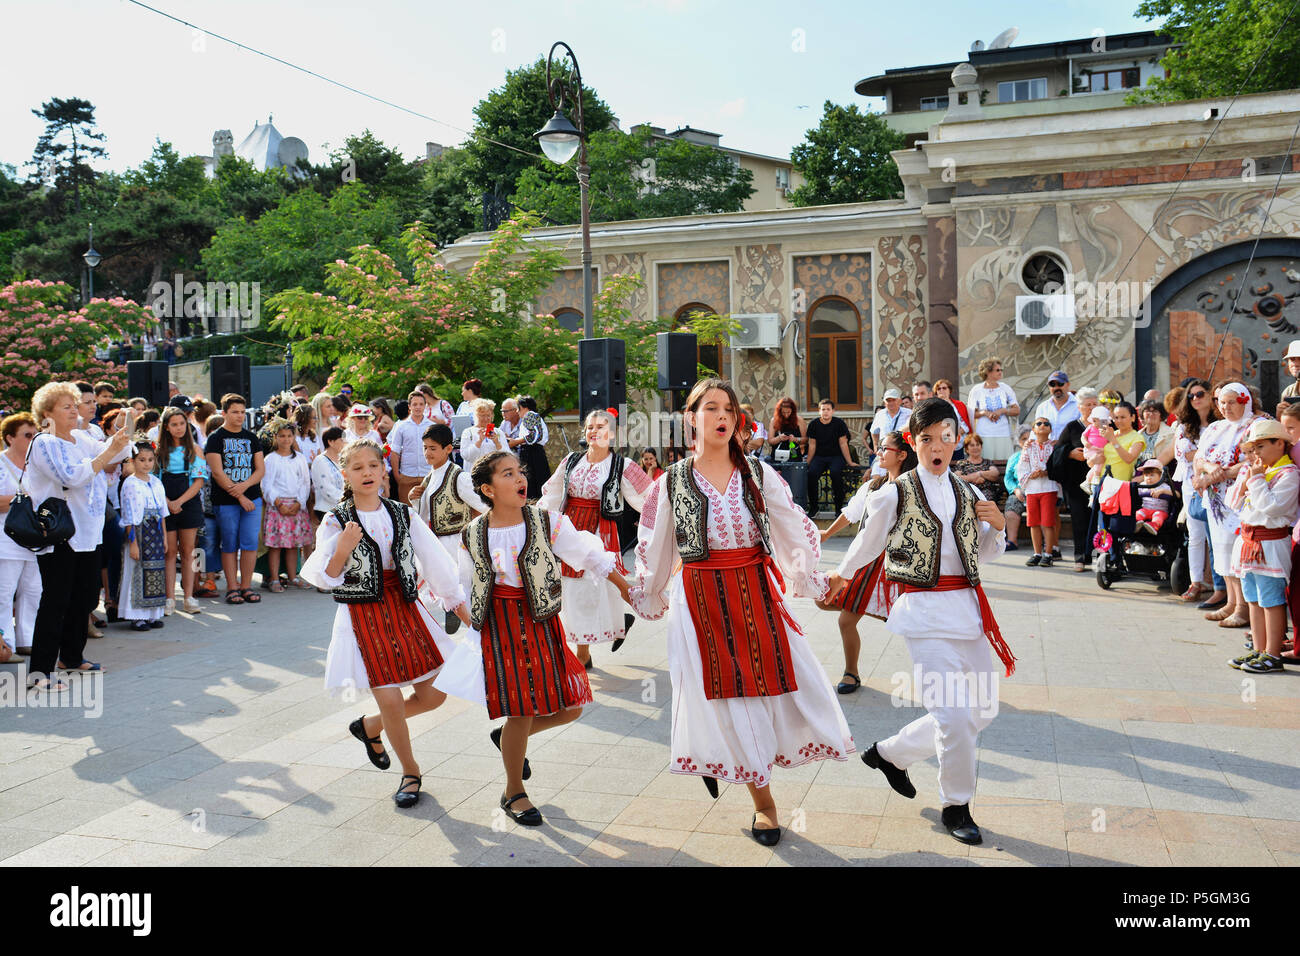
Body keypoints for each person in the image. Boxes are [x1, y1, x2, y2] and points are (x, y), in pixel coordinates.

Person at [629, 378, 854, 846]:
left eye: (728, 408)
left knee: (783, 684)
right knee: (730, 696)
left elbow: (792, 526)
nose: (722, 416)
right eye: (710, 407)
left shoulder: (756, 472)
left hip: (754, 590)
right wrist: (644, 592)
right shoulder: (671, 481)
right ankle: (764, 804)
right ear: (691, 418)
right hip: (701, 598)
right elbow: (656, 546)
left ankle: (734, 762)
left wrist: (814, 579)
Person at [828, 397, 1014, 846]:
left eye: (945, 437)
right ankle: (957, 806)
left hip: (967, 614)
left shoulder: (971, 493)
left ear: (956, 440)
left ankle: (889, 754)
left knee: (979, 714)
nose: (937, 446)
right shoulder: (895, 492)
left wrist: (998, 527)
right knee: (953, 717)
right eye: (926, 438)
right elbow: (869, 542)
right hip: (923, 615)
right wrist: (841, 574)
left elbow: (984, 554)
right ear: (913, 442)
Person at [435, 450, 628, 827]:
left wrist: (629, 590)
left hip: (541, 623)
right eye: (508, 474)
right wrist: (471, 627)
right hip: (501, 628)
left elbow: (590, 555)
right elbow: (463, 584)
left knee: (571, 707)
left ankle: (508, 739)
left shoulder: (546, 522)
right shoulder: (472, 534)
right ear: (488, 489)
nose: (520, 478)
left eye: (520, 471)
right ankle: (513, 792)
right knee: (520, 710)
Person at [300, 438, 471, 809]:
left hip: (406, 608)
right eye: (357, 468)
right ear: (345, 474)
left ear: (383, 470)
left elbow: (436, 563)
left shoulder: (402, 513)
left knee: (434, 695)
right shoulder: (335, 519)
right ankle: (411, 772)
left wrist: (466, 615)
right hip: (364, 616)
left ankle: (370, 726)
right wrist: (343, 548)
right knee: (392, 697)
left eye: (372, 466)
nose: (366, 473)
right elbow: (324, 576)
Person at [25, 384, 134, 690]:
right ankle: (40, 672)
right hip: (59, 533)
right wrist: (110, 452)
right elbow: (72, 477)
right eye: (66, 407)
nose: (74, 411)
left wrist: (125, 431)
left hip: (88, 530)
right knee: (56, 601)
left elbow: (115, 454)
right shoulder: (44, 443)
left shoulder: (81, 437)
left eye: (75, 406)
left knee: (85, 597)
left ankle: (71, 658)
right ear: (47, 414)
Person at [539, 409, 650, 667]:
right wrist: (539, 521)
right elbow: (553, 494)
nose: (594, 431)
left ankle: (583, 654)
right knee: (571, 589)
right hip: (570, 529)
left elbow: (649, 499)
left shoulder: (623, 466)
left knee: (589, 589)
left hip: (600, 531)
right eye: (590, 427)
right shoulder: (571, 461)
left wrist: (660, 531)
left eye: (601, 427)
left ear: (612, 434)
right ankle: (589, 648)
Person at [819, 430, 917, 694]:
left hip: (898, 567)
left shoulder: (914, 490)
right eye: (879, 447)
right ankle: (852, 671)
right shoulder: (874, 485)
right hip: (866, 561)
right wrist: (827, 533)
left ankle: (941, 673)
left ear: (902, 455)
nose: (879, 452)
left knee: (914, 625)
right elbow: (851, 513)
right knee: (832, 608)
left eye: (885, 448)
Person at [1225, 419, 1299, 674]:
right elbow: (1233, 502)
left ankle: (1273, 653)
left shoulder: (1288, 474)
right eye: (1253, 449)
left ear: (1280, 444)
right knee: (1254, 599)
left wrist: (1255, 482)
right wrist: (1247, 480)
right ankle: (1259, 648)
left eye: (1261, 447)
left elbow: (1272, 507)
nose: (1256, 454)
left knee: (1271, 599)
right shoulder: (1258, 471)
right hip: (1248, 541)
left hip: (1270, 543)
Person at [204, 393, 265, 606]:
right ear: (224, 413)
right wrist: (240, 496)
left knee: (249, 543)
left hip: (252, 499)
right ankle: (232, 587)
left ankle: (246, 586)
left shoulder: (251, 437)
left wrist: (245, 489)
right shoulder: (215, 438)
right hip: (226, 501)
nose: (239, 416)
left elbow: (260, 470)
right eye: (234, 412)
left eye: (242, 412)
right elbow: (218, 473)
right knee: (229, 544)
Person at [1170, 379, 1221, 604]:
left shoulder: (1220, 423)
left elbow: (1213, 456)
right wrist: (1204, 454)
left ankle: (1220, 584)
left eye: (1200, 394)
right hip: (1192, 486)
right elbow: (1184, 455)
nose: (1195, 399)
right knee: (1195, 535)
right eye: (1191, 396)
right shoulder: (1183, 426)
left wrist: (1200, 455)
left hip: (1217, 484)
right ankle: (1196, 581)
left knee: (1217, 535)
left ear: (1210, 395)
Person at [157, 407, 207, 615]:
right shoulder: (159, 451)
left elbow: (198, 482)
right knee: (169, 552)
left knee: (188, 551)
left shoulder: (194, 449)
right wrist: (169, 502)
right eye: (174, 425)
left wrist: (179, 501)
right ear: (166, 428)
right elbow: (155, 481)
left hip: (188, 503)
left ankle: (189, 596)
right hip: (166, 504)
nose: (179, 428)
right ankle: (169, 598)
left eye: (182, 424)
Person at [0, 413, 41, 660]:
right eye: (27, 435)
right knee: (5, 592)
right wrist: (24, 500)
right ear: (9, 438)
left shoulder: (36, 465)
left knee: (34, 589)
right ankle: (6, 645)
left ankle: (27, 639)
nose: (32, 439)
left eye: (35, 435)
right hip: (6, 538)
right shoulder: (1, 465)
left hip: (35, 539)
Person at [118, 441, 168, 632]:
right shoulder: (130, 483)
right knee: (137, 570)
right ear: (133, 461)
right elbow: (129, 515)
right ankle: (137, 616)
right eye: (141, 460)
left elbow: (162, 512)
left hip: (155, 531)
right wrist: (133, 543)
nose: (146, 464)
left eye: (150, 460)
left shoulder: (156, 482)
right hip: (139, 531)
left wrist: (164, 536)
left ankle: (153, 614)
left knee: (156, 571)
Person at [262, 419, 313, 591]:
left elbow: (305, 482)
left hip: (296, 505)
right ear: (275, 437)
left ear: (294, 437)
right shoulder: (270, 459)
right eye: (282, 436)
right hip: (278, 507)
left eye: (289, 436)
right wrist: (278, 503)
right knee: (276, 546)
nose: (286, 439)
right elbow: (266, 484)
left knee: (294, 545)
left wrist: (299, 502)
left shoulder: (299, 458)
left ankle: (293, 576)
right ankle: (274, 578)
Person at [1018, 415, 1059, 567]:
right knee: (1033, 522)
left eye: (1046, 423)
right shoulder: (1028, 447)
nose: (1042, 425)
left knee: (1047, 522)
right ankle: (1037, 553)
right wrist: (1031, 475)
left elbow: (1057, 465)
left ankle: (1048, 553)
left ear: (1050, 429)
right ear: (1034, 429)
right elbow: (1022, 466)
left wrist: (1047, 472)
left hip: (1048, 488)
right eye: (1038, 423)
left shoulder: (1054, 446)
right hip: (1032, 489)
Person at [805, 398, 854, 518]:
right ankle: (814, 508)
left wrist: (850, 462)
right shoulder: (813, 424)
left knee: (835, 473)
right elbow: (812, 445)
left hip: (836, 456)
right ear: (819, 411)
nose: (825, 412)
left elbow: (843, 443)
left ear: (833, 411)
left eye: (828, 409)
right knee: (811, 474)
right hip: (819, 457)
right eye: (823, 409)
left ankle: (838, 509)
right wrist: (808, 462)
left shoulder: (839, 424)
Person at [967, 357, 1020, 464]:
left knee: (1005, 463)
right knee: (986, 463)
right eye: (997, 370)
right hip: (984, 433)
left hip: (1003, 433)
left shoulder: (1005, 388)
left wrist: (1003, 411)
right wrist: (985, 413)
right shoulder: (977, 390)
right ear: (988, 371)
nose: (1000, 372)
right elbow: (971, 413)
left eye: (1001, 370)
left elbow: (1016, 410)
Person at [196, 414, 224, 600]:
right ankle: (200, 578)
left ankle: (213, 577)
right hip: (202, 506)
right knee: (202, 544)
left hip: (223, 504)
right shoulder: (202, 453)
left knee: (220, 543)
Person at [388, 390, 432, 506]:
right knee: (407, 513)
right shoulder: (400, 426)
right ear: (409, 406)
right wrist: (398, 477)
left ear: (425, 406)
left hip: (427, 475)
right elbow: (395, 452)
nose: (418, 407)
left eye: (421, 404)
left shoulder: (431, 426)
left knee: (428, 511)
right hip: (406, 475)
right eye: (415, 404)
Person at [514, 395, 552, 500]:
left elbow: (534, 436)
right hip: (532, 452)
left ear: (525, 407)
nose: (517, 411)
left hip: (532, 453)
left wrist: (516, 441)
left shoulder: (530, 415)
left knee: (533, 483)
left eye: (519, 408)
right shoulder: (531, 417)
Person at [953, 434, 1004, 510]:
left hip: (986, 492)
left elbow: (995, 474)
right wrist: (974, 479)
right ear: (967, 449)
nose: (975, 447)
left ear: (981, 447)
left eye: (977, 445)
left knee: (985, 498)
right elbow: (957, 478)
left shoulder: (987, 462)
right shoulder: (962, 463)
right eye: (972, 445)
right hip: (968, 491)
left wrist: (980, 473)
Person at [1098, 401, 1145, 482]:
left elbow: (1129, 459)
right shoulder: (1111, 433)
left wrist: (1112, 439)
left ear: (1133, 417)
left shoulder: (1137, 437)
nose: (1119, 421)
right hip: (1101, 481)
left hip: (1120, 483)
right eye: (1116, 417)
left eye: (1123, 417)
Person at [1003, 426, 1032, 551]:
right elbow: (1008, 478)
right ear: (1019, 442)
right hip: (1020, 491)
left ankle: (1047, 544)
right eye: (1024, 439)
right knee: (1011, 508)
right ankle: (1012, 541)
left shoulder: (1040, 453)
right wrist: (1016, 490)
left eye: (1030, 438)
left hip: (1038, 491)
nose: (1027, 441)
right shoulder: (1015, 457)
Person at [459, 398, 506, 471]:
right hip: (474, 474)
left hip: (494, 474)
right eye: (482, 415)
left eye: (488, 415)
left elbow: (507, 455)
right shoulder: (468, 432)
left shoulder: (498, 432)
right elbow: (465, 455)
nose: (486, 418)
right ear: (475, 415)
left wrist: (497, 443)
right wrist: (479, 442)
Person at [1133, 460, 1174, 534]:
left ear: (1160, 475)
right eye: (1146, 475)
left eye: (1152, 475)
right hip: (1145, 509)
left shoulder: (1164, 486)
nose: (1148, 478)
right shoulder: (1143, 485)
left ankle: (1154, 526)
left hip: (1160, 510)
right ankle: (1136, 524)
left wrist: (1163, 491)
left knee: (1158, 517)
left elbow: (1175, 494)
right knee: (1138, 513)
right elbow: (1135, 493)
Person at [1035, 371, 1078, 441]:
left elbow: (1084, 430)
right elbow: (1036, 431)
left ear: (1068, 384)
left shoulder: (1079, 404)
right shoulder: (1042, 407)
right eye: (1052, 384)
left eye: (1060, 384)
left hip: (1072, 449)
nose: (1056, 387)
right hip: (1048, 450)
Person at [869, 389, 911, 457]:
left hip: (902, 451)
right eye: (888, 400)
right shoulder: (880, 415)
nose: (891, 403)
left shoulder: (909, 413)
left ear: (900, 401)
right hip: (884, 451)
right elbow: (874, 431)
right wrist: (875, 446)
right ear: (884, 402)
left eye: (893, 400)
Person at [767, 396, 807, 460]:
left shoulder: (799, 420)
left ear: (793, 411)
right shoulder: (774, 420)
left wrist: (795, 439)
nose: (786, 415)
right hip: (778, 456)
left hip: (794, 454)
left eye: (788, 412)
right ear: (779, 412)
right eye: (783, 412)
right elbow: (770, 441)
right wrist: (779, 438)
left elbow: (806, 439)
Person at [1278, 341, 1300, 417]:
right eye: (1292, 359)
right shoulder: (1288, 391)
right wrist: (1280, 414)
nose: (1296, 364)